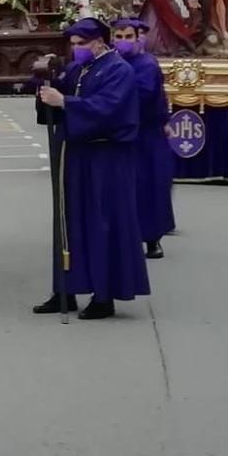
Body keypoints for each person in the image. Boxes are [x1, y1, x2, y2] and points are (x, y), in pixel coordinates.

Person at [34, 18, 149, 319]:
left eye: (81, 44)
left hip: (105, 156)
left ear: (99, 41)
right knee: (68, 220)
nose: (76, 50)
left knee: (103, 220)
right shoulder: (77, 69)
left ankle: (104, 294)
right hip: (76, 154)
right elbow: (57, 96)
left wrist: (65, 102)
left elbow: (106, 108)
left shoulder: (118, 70)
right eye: (72, 45)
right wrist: (46, 83)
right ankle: (66, 289)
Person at [111, 20, 173, 259]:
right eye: (119, 36)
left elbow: (149, 95)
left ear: (138, 38)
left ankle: (152, 239)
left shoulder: (147, 64)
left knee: (150, 186)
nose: (123, 41)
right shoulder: (112, 62)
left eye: (128, 36)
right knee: (124, 187)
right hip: (121, 133)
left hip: (146, 133)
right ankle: (124, 236)